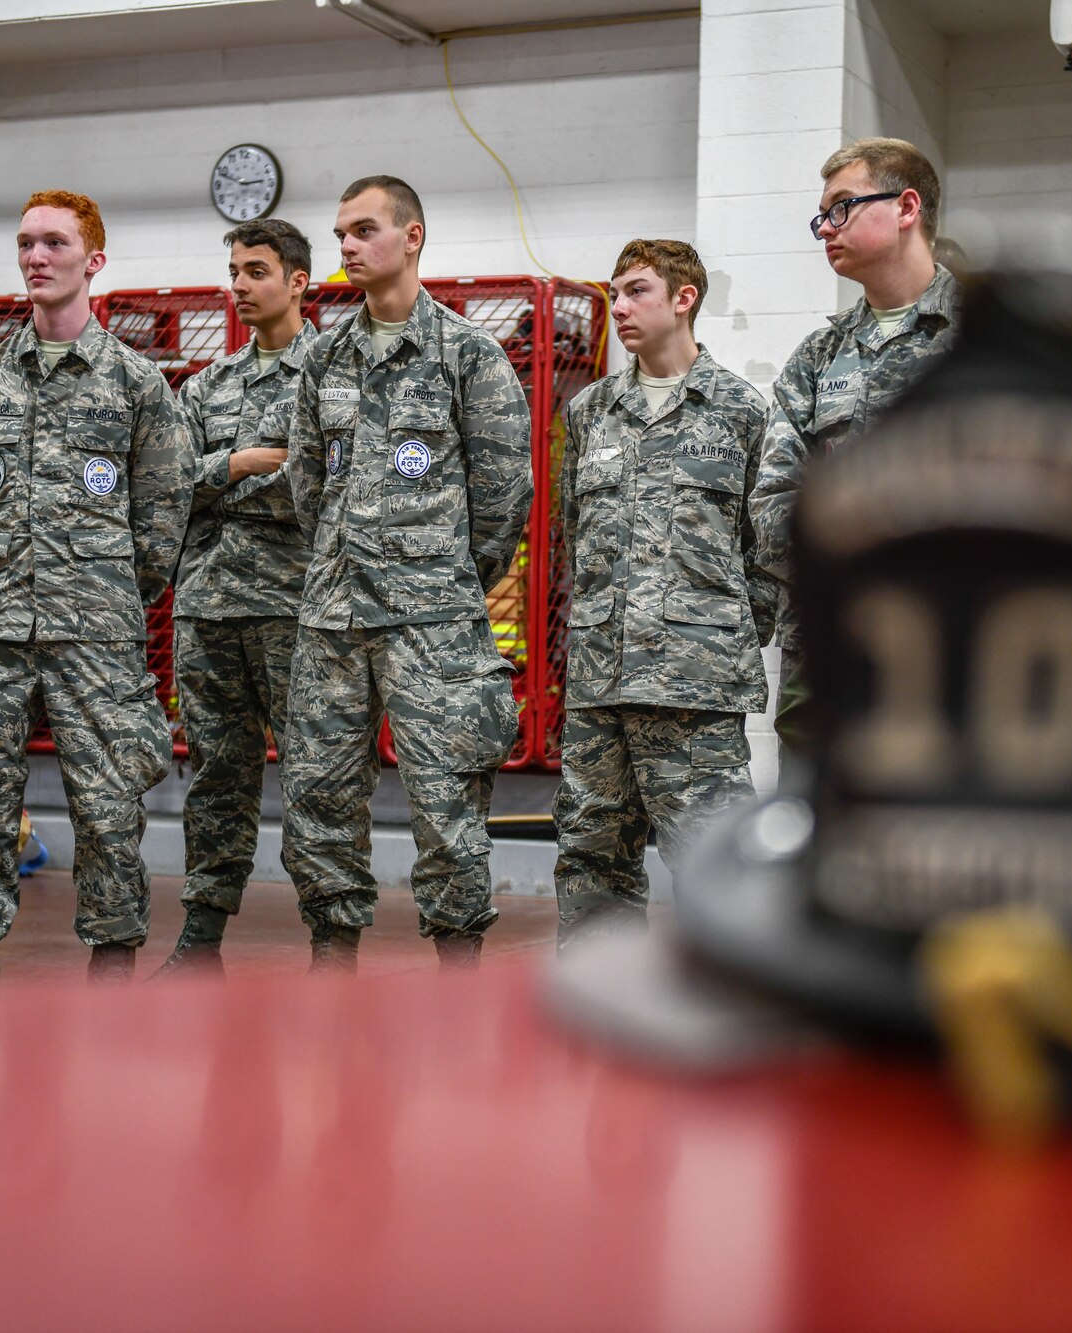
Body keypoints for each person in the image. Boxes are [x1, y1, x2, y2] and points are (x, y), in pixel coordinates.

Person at [0, 189, 189, 990]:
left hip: (97, 631)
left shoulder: (137, 383)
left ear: (94, 262)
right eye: (25, 243)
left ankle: (112, 968)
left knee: (109, 811)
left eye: (53, 244)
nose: (35, 257)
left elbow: (164, 510)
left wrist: (105, 589)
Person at [283, 175, 531, 970]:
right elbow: (306, 482)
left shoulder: (469, 355)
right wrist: (343, 560)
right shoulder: (324, 357)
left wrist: (443, 577)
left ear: (412, 236)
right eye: (341, 234)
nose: (348, 247)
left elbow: (502, 495)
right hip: (333, 621)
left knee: (445, 797)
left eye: (363, 230)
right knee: (319, 793)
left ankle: (458, 958)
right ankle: (332, 952)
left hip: (433, 625)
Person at [551, 240, 778, 948]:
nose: (619, 307)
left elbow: (766, 551)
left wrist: (720, 637)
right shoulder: (590, 413)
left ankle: (732, 1006)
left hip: (694, 685)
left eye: (637, 291)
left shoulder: (741, 411)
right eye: (615, 292)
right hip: (599, 682)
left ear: (684, 298)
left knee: (713, 860)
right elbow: (573, 531)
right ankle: (595, 1002)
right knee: (590, 858)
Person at [749, 137, 962, 748]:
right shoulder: (818, 359)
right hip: (830, 646)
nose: (825, 228)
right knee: (820, 831)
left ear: (905, 207)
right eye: (822, 214)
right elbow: (772, 505)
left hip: (956, 642)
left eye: (842, 207)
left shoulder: (985, 341)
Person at [156, 219, 317, 976]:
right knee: (216, 776)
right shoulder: (209, 384)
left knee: (320, 775)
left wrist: (224, 480)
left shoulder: (334, 376)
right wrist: (244, 463)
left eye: (257, 270)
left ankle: (333, 946)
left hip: (300, 611)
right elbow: (168, 485)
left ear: (298, 281)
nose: (241, 285)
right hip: (210, 608)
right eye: (235, 271)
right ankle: (200, 941)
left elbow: (327, 489)